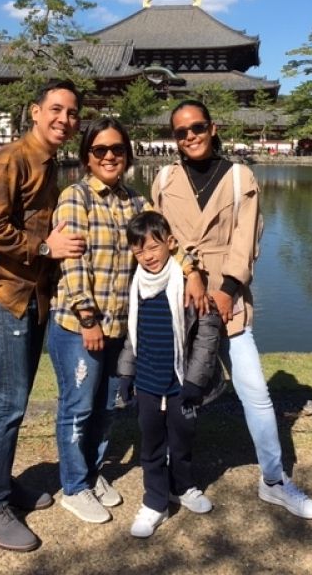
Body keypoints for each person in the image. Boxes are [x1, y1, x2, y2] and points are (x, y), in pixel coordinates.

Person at [153, 99, 312, 520]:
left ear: (213, 128)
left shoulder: (238, 177)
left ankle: (275, 480)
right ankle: (177, 478)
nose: (190, 136)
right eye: (181, 131)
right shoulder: (164, 178)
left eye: (197, 127)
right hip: (181, 299)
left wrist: (227, 289)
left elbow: (247, 238)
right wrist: (188, 270)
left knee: (256, 392)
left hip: (230, 298)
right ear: (173, 138)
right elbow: (157, 239)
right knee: (178, 391)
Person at [0, 79, 86, 552]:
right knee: (8, 402)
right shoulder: (10, 159)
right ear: (35, 112)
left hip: (33, 293)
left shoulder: (48, 162)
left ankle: (3, 484)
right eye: (56, 109)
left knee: (14, 398)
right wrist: (44, 246)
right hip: (6, 294)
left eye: (73, 113)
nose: (65, 119)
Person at [47, 116, 155, 525]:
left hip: (120, 326)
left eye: (117, 150)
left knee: (107, 406)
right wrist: (87, 317)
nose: (109, 156)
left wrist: (192, 269)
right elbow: (73, 262)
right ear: (87, 157)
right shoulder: (77, 197)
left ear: (127, 155)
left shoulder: (135, 201)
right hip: (79, 326)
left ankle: (92, 473)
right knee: (77, 406)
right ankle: (74, 487)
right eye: (100, 150)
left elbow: (159, 242)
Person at [118, 211, 223, 538]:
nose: (147, 257)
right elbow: (131, 336)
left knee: (181, 440)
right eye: (139, 251)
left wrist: (195, 381)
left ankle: (183, 486)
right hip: (148, 384)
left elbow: (207, 334)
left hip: (181, 386)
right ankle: (155, 502)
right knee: (150, 444)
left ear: (171, 243)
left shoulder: (190, 284)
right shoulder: (137, 286)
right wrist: (126, 373)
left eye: (153, 247)